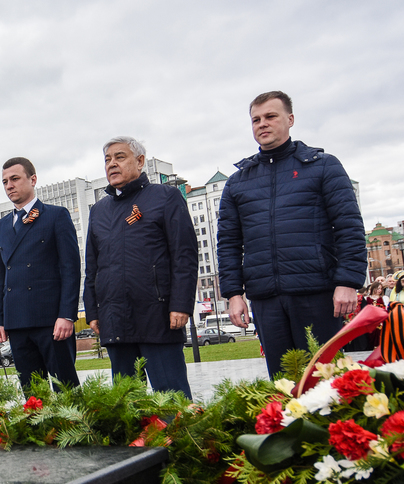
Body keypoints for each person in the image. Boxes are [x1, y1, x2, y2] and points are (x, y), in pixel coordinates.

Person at [217, 91, 367, 377]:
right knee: (282, 382)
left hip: (316, 293)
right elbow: (228, 243)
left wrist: (348, 280)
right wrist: (234, 293)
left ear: (290, 119)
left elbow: (348, 226)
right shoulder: (238, 182)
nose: (262, 124)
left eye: (271, 116)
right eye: (256, 120)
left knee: (326, 382)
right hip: (266, 298)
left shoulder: (323, 166)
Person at [83, 137, 198, 397]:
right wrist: (92, 310)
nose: (112, 164)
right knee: (127, 404)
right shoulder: (99, 211)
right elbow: (92, 266)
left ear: (140, 161)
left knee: (171, 399)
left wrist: (180, 304)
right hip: (114, 321)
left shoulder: (166, 197)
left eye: (120, 157)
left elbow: (184, 255)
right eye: (107, 159)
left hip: (157, 318)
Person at [0, 157, 81, 392]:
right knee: (32, 394)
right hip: (17, 322)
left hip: (51, 321)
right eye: (4, 182)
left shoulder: (55, 216)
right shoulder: (1, 226)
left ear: (32, 180)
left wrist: (67, 315)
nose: (9, 186)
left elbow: (71, 269)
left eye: (14, 179)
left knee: (66, 390)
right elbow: (0, 278)